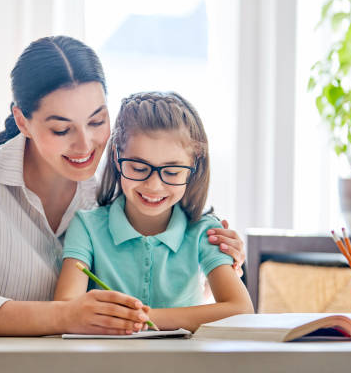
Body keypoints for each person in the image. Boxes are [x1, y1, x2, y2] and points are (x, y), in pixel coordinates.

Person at [0, 36, 246, 336]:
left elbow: (171, 256)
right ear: (22, 121)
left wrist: (220, 252)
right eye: (62, 129)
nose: (86, 144)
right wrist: (61, 317)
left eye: (97, 121)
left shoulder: (123, 179)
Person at [54, 92, 253, 332]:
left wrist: (142, 318)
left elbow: (240, 310)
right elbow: (64, 309)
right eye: (138, 168)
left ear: (193, 168)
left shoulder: (205, 231)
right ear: (117, 159)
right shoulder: (87, 227)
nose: (154, 186)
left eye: (171, 172)